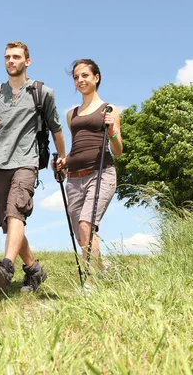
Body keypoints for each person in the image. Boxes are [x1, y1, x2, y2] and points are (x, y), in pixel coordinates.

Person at [0, 41, 66, 294]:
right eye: (7, 57)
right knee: (8, 222)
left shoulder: (41, 92)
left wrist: (62, 158)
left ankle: (6, 266)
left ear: (28, 61)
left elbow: (57, 129)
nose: (11, 61)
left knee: (16, 211)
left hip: (27, 161)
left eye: (16, 57)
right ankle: (34, 270)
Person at [55, 59, 123, 276]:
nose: (80, 80)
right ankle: (104, 269)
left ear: (96, 77)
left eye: (85, 75)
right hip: (74, 178)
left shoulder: (109, 109)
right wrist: (64, 161)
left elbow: (118, 150)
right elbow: (77, 146)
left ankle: (90, 285)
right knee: (81, 234)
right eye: (76, 77)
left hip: (101, 173)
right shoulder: (71, 114)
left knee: (87, 225)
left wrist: (111, 129)